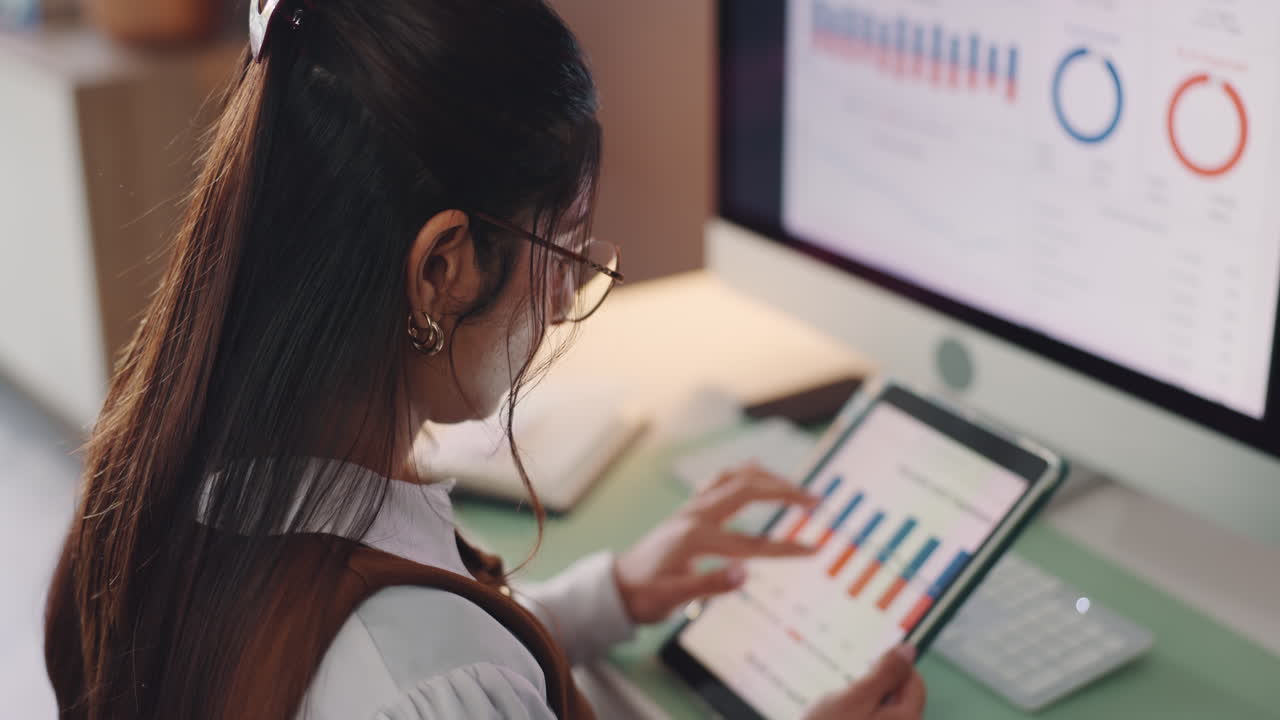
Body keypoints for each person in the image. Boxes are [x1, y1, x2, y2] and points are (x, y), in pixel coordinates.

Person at [43, 1, 927, 718]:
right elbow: (432, 670)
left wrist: (605, 597)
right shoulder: (421, 677)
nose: (562, 301)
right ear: (442, 268)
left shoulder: (156, 489)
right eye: (567, 252)